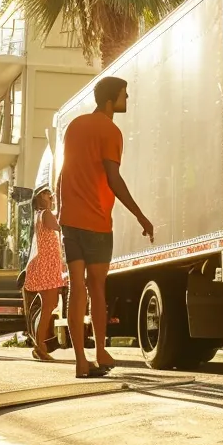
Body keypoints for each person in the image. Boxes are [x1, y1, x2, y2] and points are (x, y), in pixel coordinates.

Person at [58, 76, 154, 379]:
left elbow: (64, 171)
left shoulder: (74, 126)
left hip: (70, 219)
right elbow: (113, 178)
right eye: (125, 94)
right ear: (111, 100)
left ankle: (80, 361)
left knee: (76, 289)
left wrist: (63, 209)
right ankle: (99, 350)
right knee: (97, 287)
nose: (129, 97)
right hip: (97, 221)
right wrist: (140, 215)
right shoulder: (111, 131)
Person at [23, 188, 67, 361]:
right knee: (49, 305)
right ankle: (40, 345)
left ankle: (39, 344)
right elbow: (60, 227)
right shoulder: (46, 214)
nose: (49, 195)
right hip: (47, 266)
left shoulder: (41, 214)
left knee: (49, 304)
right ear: (40, 198)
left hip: (46, 265)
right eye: (45, 193)